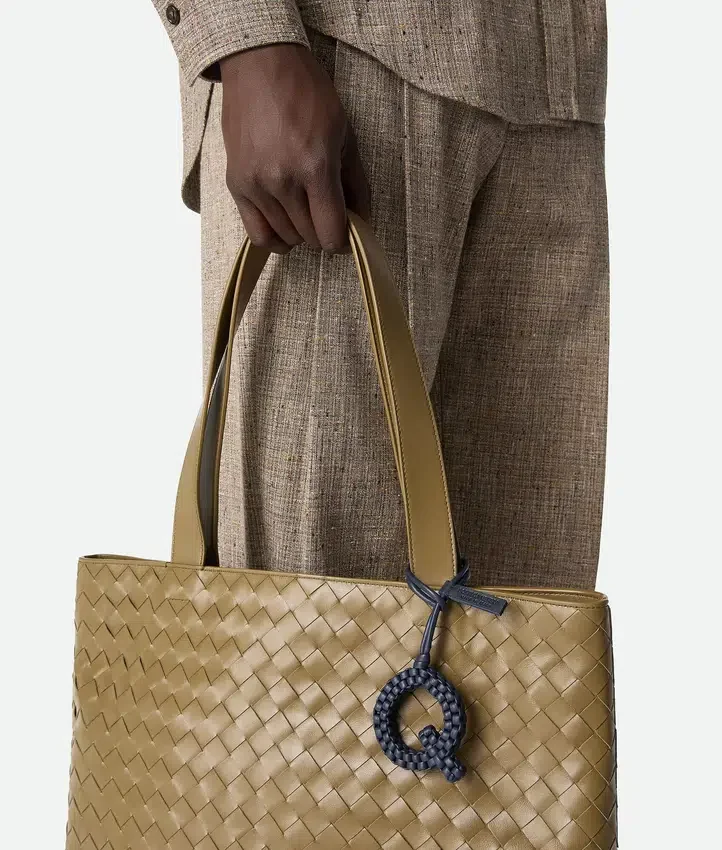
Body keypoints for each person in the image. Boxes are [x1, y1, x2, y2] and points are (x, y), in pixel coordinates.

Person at [149, 1, 609, 590]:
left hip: (556, 84)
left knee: (527, 619)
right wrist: (247, 38)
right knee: (297, 617)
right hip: (342, 60)